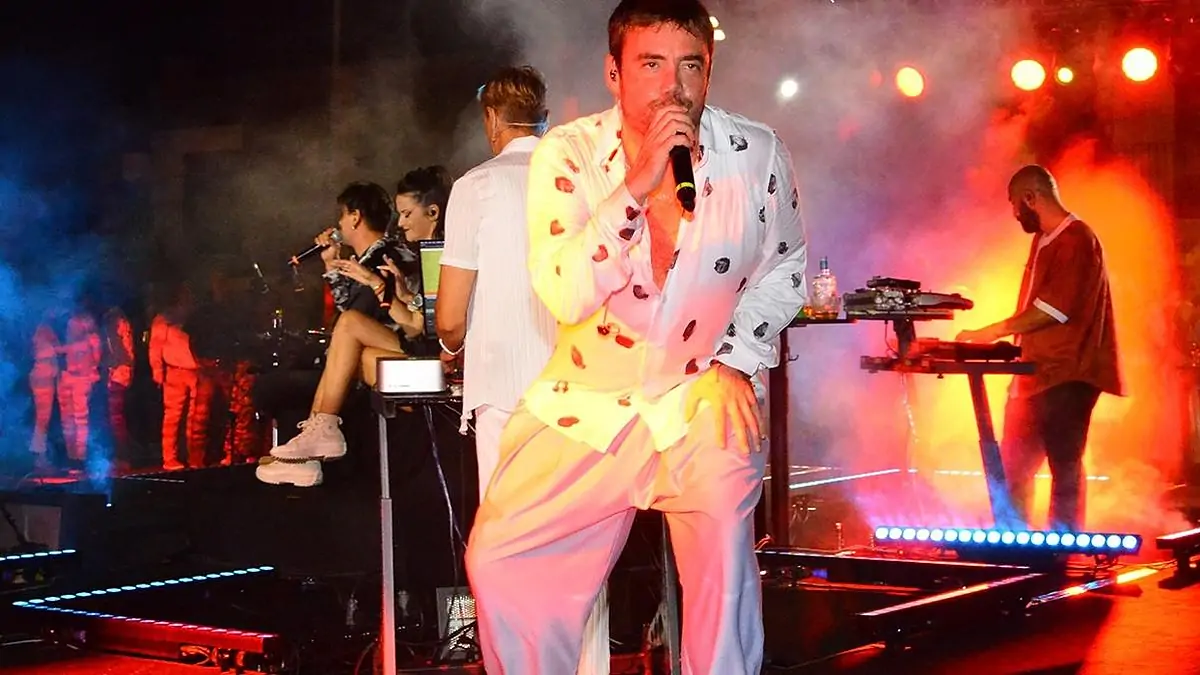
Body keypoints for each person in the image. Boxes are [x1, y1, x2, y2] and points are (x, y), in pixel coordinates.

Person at [464, 1, 809, 672]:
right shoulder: (568, 154)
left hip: (699, 390)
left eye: (690, 66)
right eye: (651, 65)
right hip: (588, 399)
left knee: (724, 572)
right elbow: (565, 291)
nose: (673, 87)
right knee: (499, 559)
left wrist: (736, 360)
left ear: (709, 71)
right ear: (614, 74)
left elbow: (786, 267)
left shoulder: (757, 153)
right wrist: (634, 186)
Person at [436, 67, 610, 675]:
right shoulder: (584, 178)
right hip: (583, 390)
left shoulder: (476, 187)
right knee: (580, 548)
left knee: (510, 549)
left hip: (506, 394)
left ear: (491, 120)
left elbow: (449, 318)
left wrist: (451, 349)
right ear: (544, 118)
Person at [256, 172, 450, 487]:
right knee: (351, 346)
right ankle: (312, 450)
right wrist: (389, 291)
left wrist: (377, 284)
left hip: (433, 362)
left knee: (348, 327)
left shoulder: (422, 254)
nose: (399, 223)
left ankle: (319, 438)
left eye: (406, 214)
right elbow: (414, 322)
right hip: (411, 350)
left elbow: (421, 328)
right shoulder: (418, 252)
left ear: (433, 212)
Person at [957, 164, 1122, 531]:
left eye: (1015, 204)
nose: (1015, 213)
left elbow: (1053, 309)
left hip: (1067, 373)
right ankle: (1014, 539)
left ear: (1031, 198)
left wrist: (993, 331)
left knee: (1064, 465)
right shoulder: (1044, 240)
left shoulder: (1076, 239)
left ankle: (1062, 545)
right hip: (1034, 373)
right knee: (1014, 464)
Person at [150, 283, 212, 470]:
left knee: (198, 419)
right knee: (172, 418)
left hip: (198, 372)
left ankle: (196, 459)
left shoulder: (198, 318)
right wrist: (157, 371)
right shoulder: (164, 319)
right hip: (174, 372)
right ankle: (169, 458)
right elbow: (155, 347)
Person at [101, 304, 136, 472]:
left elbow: (123, 354)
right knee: (115, 419)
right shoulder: (118, 322)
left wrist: (110, 363)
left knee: (116, 419)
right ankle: (120, 457)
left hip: (118, 374)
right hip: (118, 374)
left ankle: (123, 458)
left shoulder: (116, 322)